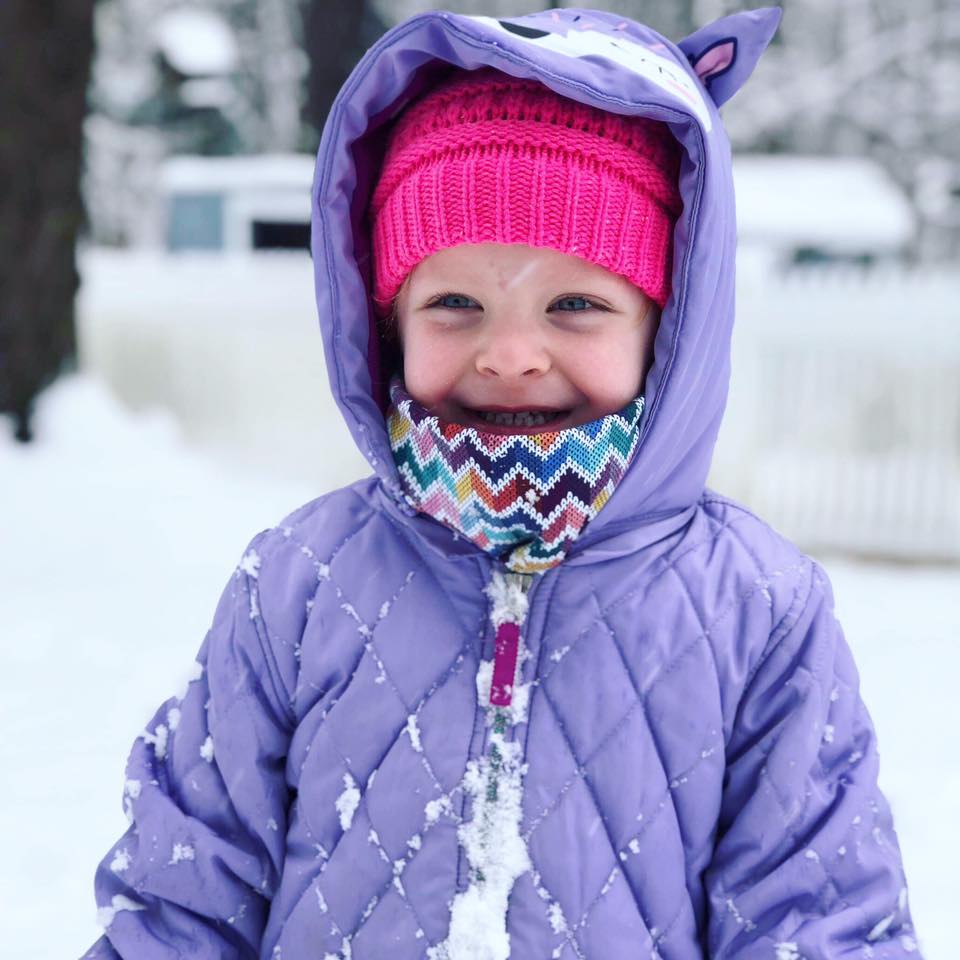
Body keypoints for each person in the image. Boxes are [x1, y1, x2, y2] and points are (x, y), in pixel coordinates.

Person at [81, 7, 924, 960]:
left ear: (666, 328)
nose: (512, 353)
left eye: (576, 304)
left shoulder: (757, 613)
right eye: (454, 304)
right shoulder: (298, 586)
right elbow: (182, 907)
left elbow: (819, 925)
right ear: (390, 322)